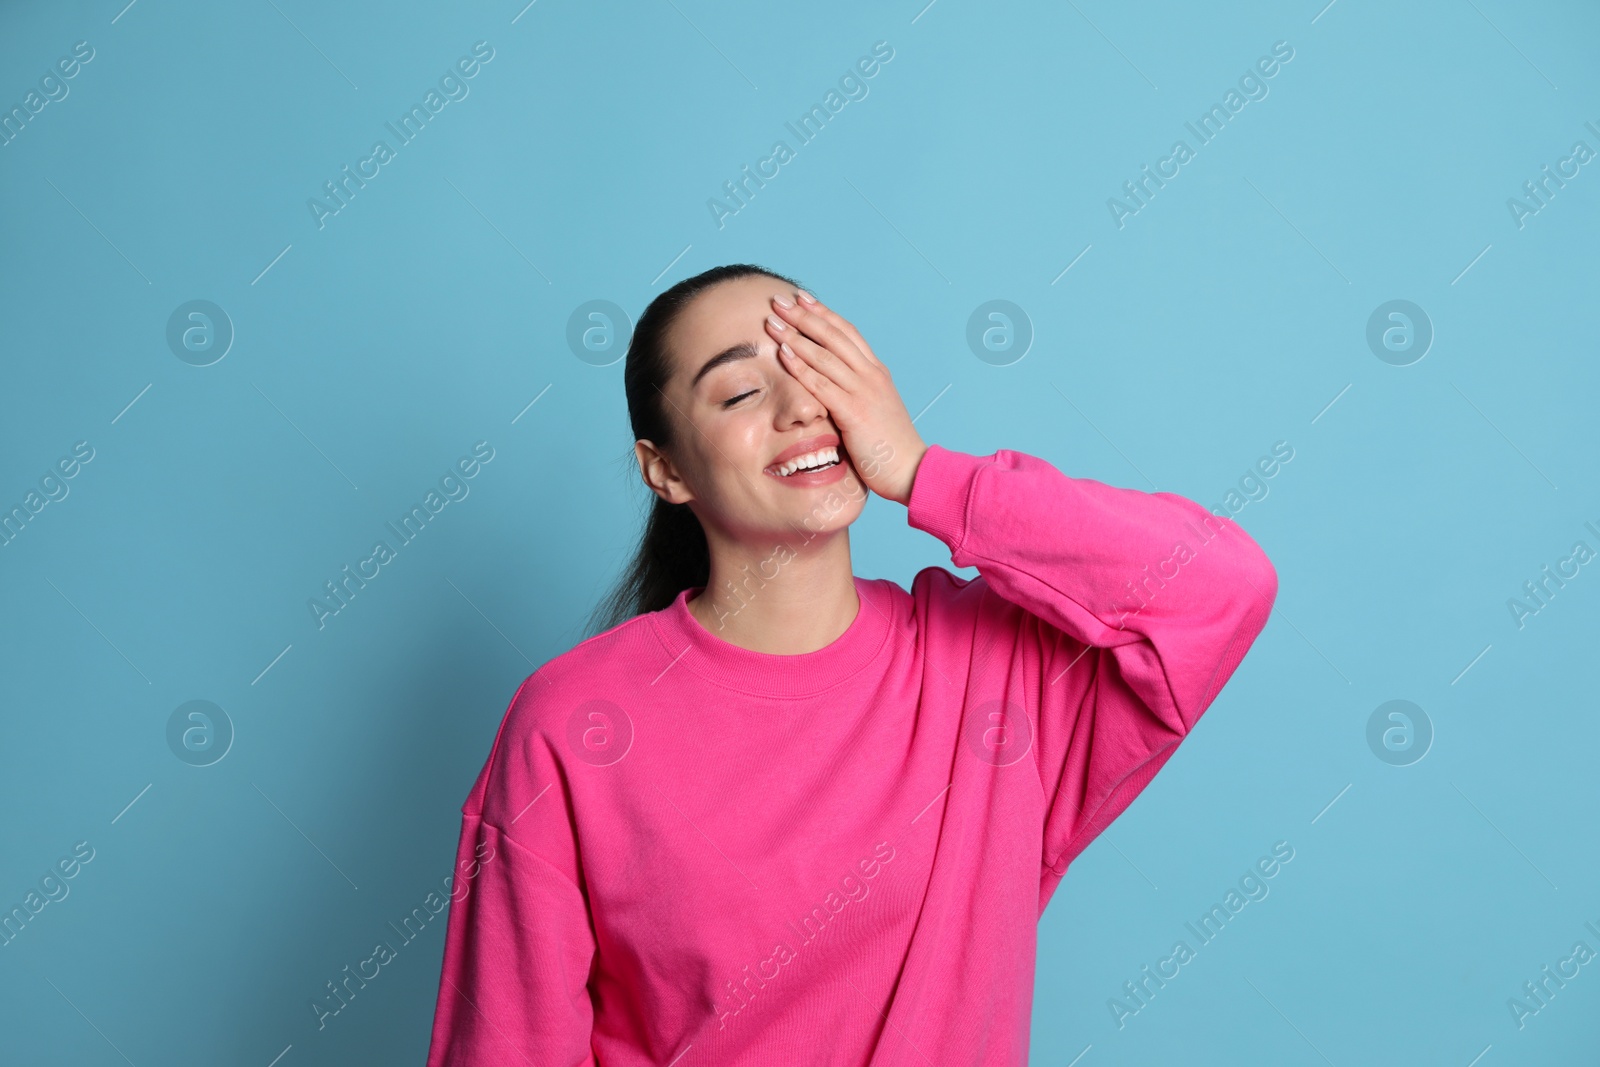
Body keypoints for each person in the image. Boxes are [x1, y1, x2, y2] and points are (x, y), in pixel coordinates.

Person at [424, 263, 1278, 1065]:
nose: (803, 406)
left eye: (821, 367)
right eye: (743, 390)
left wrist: (922, 472)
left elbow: (1218, 585)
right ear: (667, 469)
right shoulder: (573, 722)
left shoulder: (997, 673)